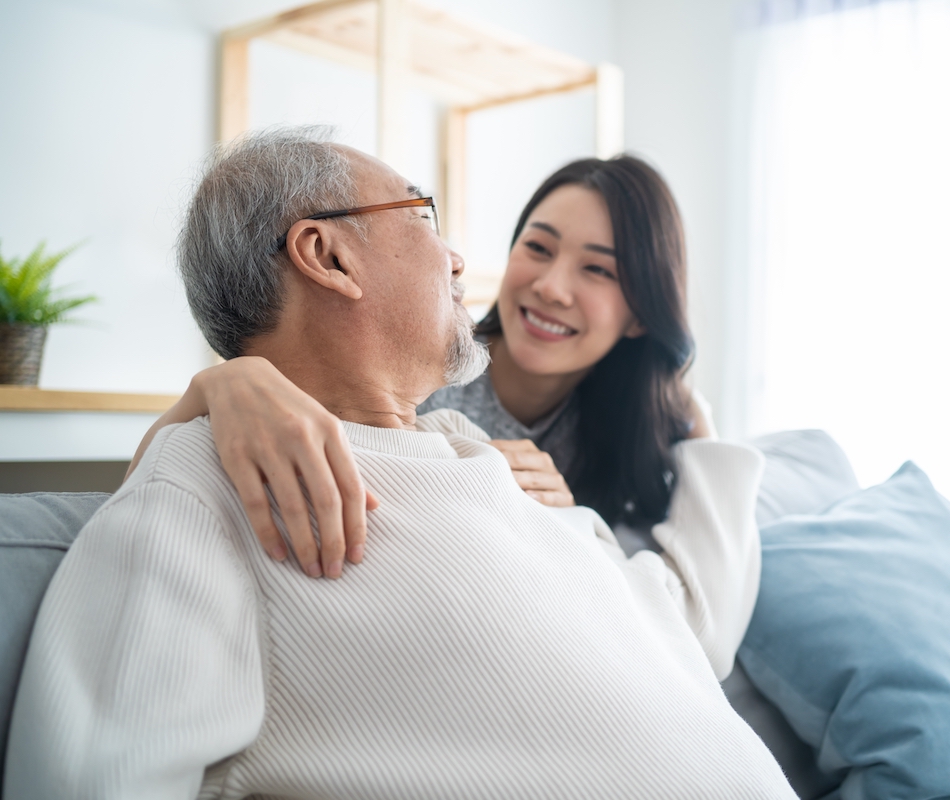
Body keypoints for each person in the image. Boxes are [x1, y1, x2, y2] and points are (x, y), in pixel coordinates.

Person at [4, 127, 794, 799]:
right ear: (327, 254)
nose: (457, 257)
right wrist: (211, 398)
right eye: (423, 215)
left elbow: (679, 634)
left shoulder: (483, 460)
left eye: (600, 269)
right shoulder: (211, 488)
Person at [128, 152, 712, 579]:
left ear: (643, 312)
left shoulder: (647, 425)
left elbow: (672, 612)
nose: (551, 287)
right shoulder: (417, 376)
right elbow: (144, 505)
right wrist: (221, 382)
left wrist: (572, 519)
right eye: (537, 248)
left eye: (599, 270)